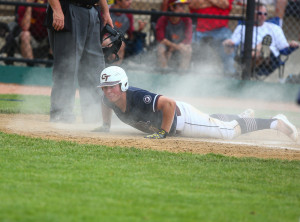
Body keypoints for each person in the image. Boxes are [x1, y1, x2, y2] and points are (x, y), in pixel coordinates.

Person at [93, 66, 298, 142]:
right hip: (180, 118)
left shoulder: (137, 97)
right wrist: (105, 125)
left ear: (124, 84)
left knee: (227, 133)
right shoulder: (109, 98)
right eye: (105, 87)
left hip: (182, 120)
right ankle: (241, 118)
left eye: (113, 86)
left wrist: (163, 133)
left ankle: (275, 123)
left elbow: (169, 104)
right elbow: (105, 103)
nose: (108, 90)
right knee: (212, 121)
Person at [47, 0, 113, 123]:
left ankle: (94, 116)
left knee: (94, 69)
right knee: (67, 68)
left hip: (92, 11)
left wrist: (106, 11)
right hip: (68, 9)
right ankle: (61, 115)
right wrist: (57, 10)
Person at [223, 3, 299, 76]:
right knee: (252, 50)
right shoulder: (242, 27)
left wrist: (292, 46)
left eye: (265, 14)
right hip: (248, 55)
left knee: (264, 43)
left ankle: (246, 69)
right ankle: (251, 65)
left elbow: (284, 50)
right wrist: (229, 43)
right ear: (252, 14)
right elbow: (233, 42)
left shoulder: (275, 28)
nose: (263, 16)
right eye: (260, 13)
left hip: (269, 60)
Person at [189, 0, 236, 76]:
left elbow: (225, 4)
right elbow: (192, 4)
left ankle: (230, 77)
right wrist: (215, 3)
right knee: (189, 48)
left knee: (229, 47)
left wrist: (205, 2)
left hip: (221, 30)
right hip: (199, 30)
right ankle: (189, 76)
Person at [103, 0, 146, 65]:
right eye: (127, 0)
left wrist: (139, 30)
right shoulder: (107, 10)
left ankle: (116, 68)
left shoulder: (128, 14)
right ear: (118, 1)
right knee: (107, 43)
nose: (130, 2)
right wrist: (105, 37)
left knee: (121, 44)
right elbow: (100, 29)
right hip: (104, 38)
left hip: (117, 40)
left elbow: (131, 35)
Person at [155, 0, 193, 70]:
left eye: (183, 6)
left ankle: (183, 73)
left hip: (180, 45)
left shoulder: (187, 20)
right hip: (167, 45)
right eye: (180, 6)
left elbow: (188, 39)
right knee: (160, 49)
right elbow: (161, 39)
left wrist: (176, 47)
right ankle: (164, 71)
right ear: (172, 7)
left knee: (188, 49)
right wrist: (174, 47)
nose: (183, 8)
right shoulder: (163, 19)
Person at [17, 0, 51, 66]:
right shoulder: (24, 4)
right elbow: (25, 27)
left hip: (47, 39)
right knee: (25, 34)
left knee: (57, 33)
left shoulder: (51, 3)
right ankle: (31, 65)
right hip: (31, 39)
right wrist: (29, 6)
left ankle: (50, 63)